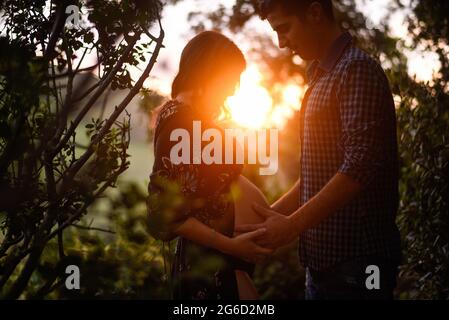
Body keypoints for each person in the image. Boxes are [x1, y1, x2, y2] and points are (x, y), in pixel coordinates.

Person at [237, 0, 402, 299]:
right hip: (323, 267)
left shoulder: (356, 70)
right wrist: (270, 218)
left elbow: (361, 164)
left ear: (314, 12)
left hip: (362, 266)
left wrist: (291, 226)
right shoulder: (321, 74)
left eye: (284, 28)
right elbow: (319, 174)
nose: (281, 42)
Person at [147, 31, 272, 300]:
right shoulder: (180, 122)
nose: (233, 89)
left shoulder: (193, 121)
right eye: (230, 80)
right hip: (212, 268)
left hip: (225, 263)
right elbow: (165, 215)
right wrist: (232, 247)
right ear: (209, 72)